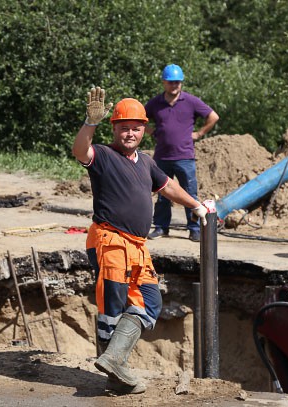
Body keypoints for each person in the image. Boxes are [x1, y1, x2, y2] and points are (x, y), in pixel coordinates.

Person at [72, 86, 209, 395]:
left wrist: (196, 205)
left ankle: (115, 360)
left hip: (137, 247)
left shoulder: (146, 162)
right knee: (113, 309)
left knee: (150, 302)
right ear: (114, 129)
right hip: (110, 242)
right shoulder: (104, 156)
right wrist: (90, 123)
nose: (129, 133)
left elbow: (169, 187)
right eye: (123, 128)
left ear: (144, 130)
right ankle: (114, 377)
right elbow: (81, 150)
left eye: (135, 128)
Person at [145, 64, 219, 242]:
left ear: (181, 83)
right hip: (162, 157)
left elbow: (213, 116)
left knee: (190, 195)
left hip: (185, 157)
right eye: (171, 82)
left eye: (177, 82)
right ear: (164, 82)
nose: (174, 85)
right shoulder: (156, 103)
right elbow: (141, 118)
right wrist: (151, 132)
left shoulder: (191, 101)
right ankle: (161, 227)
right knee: (163, 195)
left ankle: (194, 229)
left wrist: (199, 133)